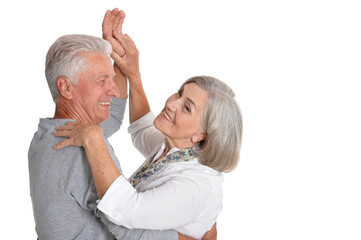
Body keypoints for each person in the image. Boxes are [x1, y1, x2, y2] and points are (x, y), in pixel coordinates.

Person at [54, 10, 242, 240]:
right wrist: (132, 73)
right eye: (179, 93)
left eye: (187, 107)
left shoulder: (196, 187)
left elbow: (122, 211)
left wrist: (94, 139)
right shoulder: (177, 151)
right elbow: (143, 129)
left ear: (201, 134)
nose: (172, 103)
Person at [29, 9, 203, 240]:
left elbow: (110, 119)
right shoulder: (80, 151)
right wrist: (188, 238)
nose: (113, 90)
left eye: (112, 78)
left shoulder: (51, 133)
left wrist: (120, 65)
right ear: (66, 88)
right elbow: (124, 225)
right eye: (103, 80)